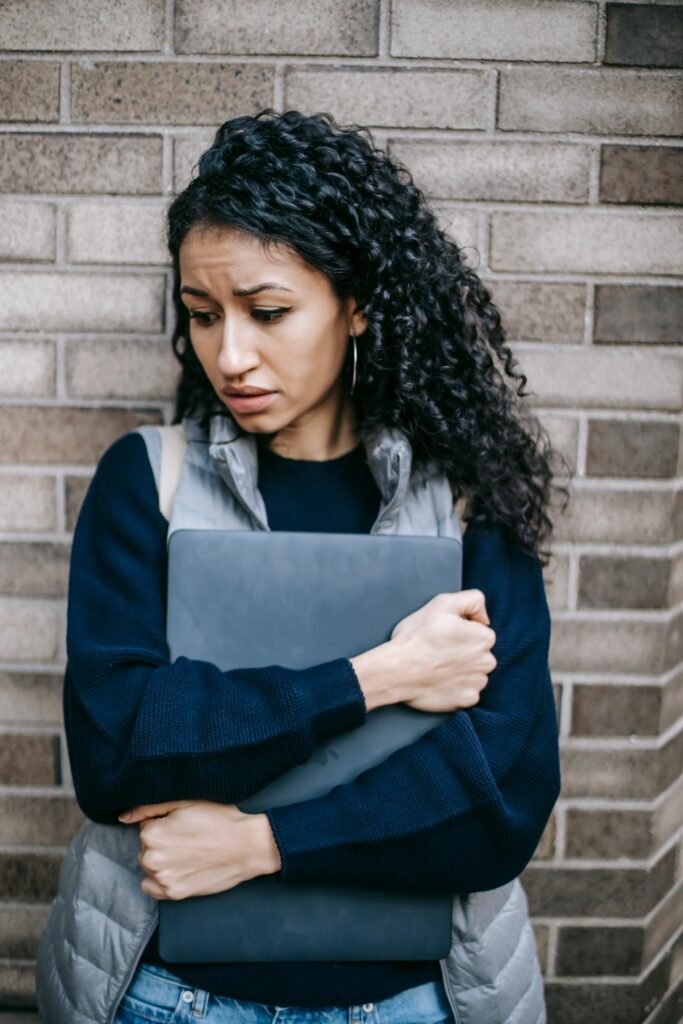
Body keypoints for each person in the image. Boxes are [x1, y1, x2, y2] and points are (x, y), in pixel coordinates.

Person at [35, 109, 563, 1024]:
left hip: (413, 1000)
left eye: (267, 311)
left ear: (356, 303)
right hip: (168, 996)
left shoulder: (464, 499)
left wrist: (260, 842)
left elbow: (498, 806)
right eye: (203, 316)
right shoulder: (149, 483)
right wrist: (379, 677)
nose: (229, 354)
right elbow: (117, 754)